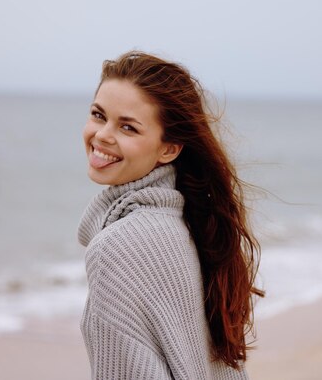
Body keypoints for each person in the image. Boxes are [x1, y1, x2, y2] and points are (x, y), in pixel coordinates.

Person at [77, 51, 264, 379]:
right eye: (98, 115)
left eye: (128, 127)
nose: (103, 135)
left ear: (169, 148)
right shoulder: (189, 225)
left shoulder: (116, 248)